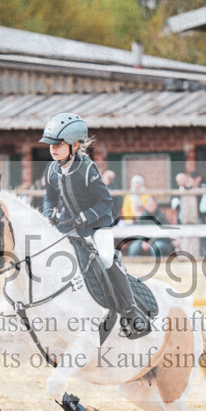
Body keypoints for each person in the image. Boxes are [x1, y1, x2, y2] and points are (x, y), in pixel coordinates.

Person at [39, 112, 150, 338]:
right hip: (68, 226)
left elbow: (106, 202)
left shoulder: (88, 169)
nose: (53, 149)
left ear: (75, 145)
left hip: (97, 226)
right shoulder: (51, 169)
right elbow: (49, 196)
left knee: (107, 258)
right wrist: (49, 211)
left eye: (58, 144)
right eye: (51, 144)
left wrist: (86, 217)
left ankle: (131, 310)